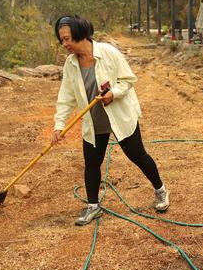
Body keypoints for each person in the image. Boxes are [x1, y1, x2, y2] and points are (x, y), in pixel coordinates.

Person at [51, 15, 169, 225]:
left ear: (80, 34)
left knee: (138, 155)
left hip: (119, 115)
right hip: (93, 120)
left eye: (67, 38)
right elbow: (65, 97)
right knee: (92, 162)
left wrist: (113, 93)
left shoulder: (108, 53)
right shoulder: (71, 65)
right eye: (62, 40)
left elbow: (128, 80)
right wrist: (59, 125)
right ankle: (93, 206)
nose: (65, 44)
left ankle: (161, 190)